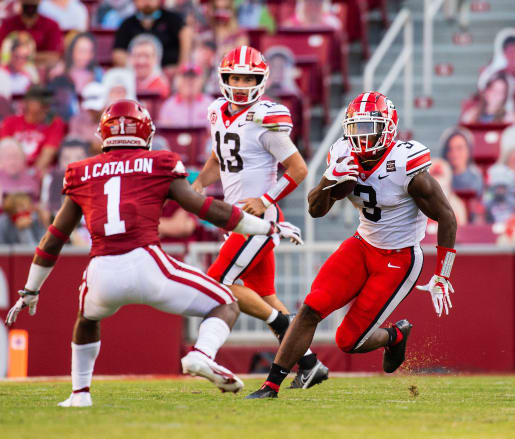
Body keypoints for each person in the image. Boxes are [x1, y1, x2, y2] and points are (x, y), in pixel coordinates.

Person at [4, 98, 304, 407]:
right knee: (225, 302)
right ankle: (201, 355)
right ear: (145, 133)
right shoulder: (159, 162)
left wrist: (30, 289)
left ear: (104, 135)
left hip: (102, 271)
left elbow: (54, 237)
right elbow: (207, 209)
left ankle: (80, 394)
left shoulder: (81, 171)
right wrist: (267, 227)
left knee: (87, 317)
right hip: (148, 263)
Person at [246, 91, 458, 399]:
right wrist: (329, 181)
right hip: (362, 245)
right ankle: (271, 385)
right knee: (310, 308)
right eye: (357, 128)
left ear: (388, 128)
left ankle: (395, 335)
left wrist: (443, 273)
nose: (362, 136)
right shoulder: (343, 155)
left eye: (370, 128)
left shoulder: (406, 165)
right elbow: (316, 210)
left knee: (348, 341)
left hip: (399, 259)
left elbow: (447, 217)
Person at [192, 46, 329, 388]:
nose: (240, 84)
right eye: (235, 77)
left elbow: (298, 169)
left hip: (256, 221)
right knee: (265, 295)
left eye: (248, 78)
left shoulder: (266, 120)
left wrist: (264, 198)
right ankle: (310, 363)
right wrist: (197, 186)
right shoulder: (215, 112)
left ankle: (280, 330)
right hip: (237, 220)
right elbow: (219, 156)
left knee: (219, 283)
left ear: (261, 80)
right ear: (224, 79)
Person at [113, 0, 192, 74]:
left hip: (170, 74)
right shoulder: (127, 24)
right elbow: (118, 54)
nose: (147, 1)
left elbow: (186, 35)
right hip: (137, 76)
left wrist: (180, 68)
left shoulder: (173, 19)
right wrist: (139, 71)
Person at [0, 85, 66, 173]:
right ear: (28, 103)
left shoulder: (54, 123)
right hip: (11, 171)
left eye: (47, 105)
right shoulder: (11, 122)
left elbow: (47, 155)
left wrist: (31, 175)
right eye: (42, 104)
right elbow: (4, 152)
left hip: (36, 174)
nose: (46, 108)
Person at [0, 0, 63, 66]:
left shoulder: (51, 25)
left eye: (33, 2)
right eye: (27, 2)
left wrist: (22, 57)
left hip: (42, 70)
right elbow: (1, 52)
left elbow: (54, 57)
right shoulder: (8, 24)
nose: (30, 3)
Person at [158, 63, 213, 128]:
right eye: (185, 77)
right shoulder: (168, 106)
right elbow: (165, 134)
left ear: (201, 81)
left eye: (193, 77)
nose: (189, 81)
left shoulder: (211, 105)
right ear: (178, 80)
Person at [439, 127, 484, 195]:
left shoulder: (476, 178)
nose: (454, 153)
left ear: (468, 150)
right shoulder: (439, 178)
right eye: (450, 149)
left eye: (459, 148)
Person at [128, 33, 170, 99]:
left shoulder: (160, 87)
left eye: (146, 56)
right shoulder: (124, 83)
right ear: (130, 58)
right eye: (137, 56)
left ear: (156, 59)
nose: (141, 61)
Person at [0, 136, 40, 203]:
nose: (12, 162)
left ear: (23, 158)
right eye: (8, 157)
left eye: (15, 156)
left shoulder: (33, 176)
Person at [0, 31, 38, 95]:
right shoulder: (1, 72)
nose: (19, 60)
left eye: (23, 57)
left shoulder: (29, 77)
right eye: (17, 56)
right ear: (11, 55)